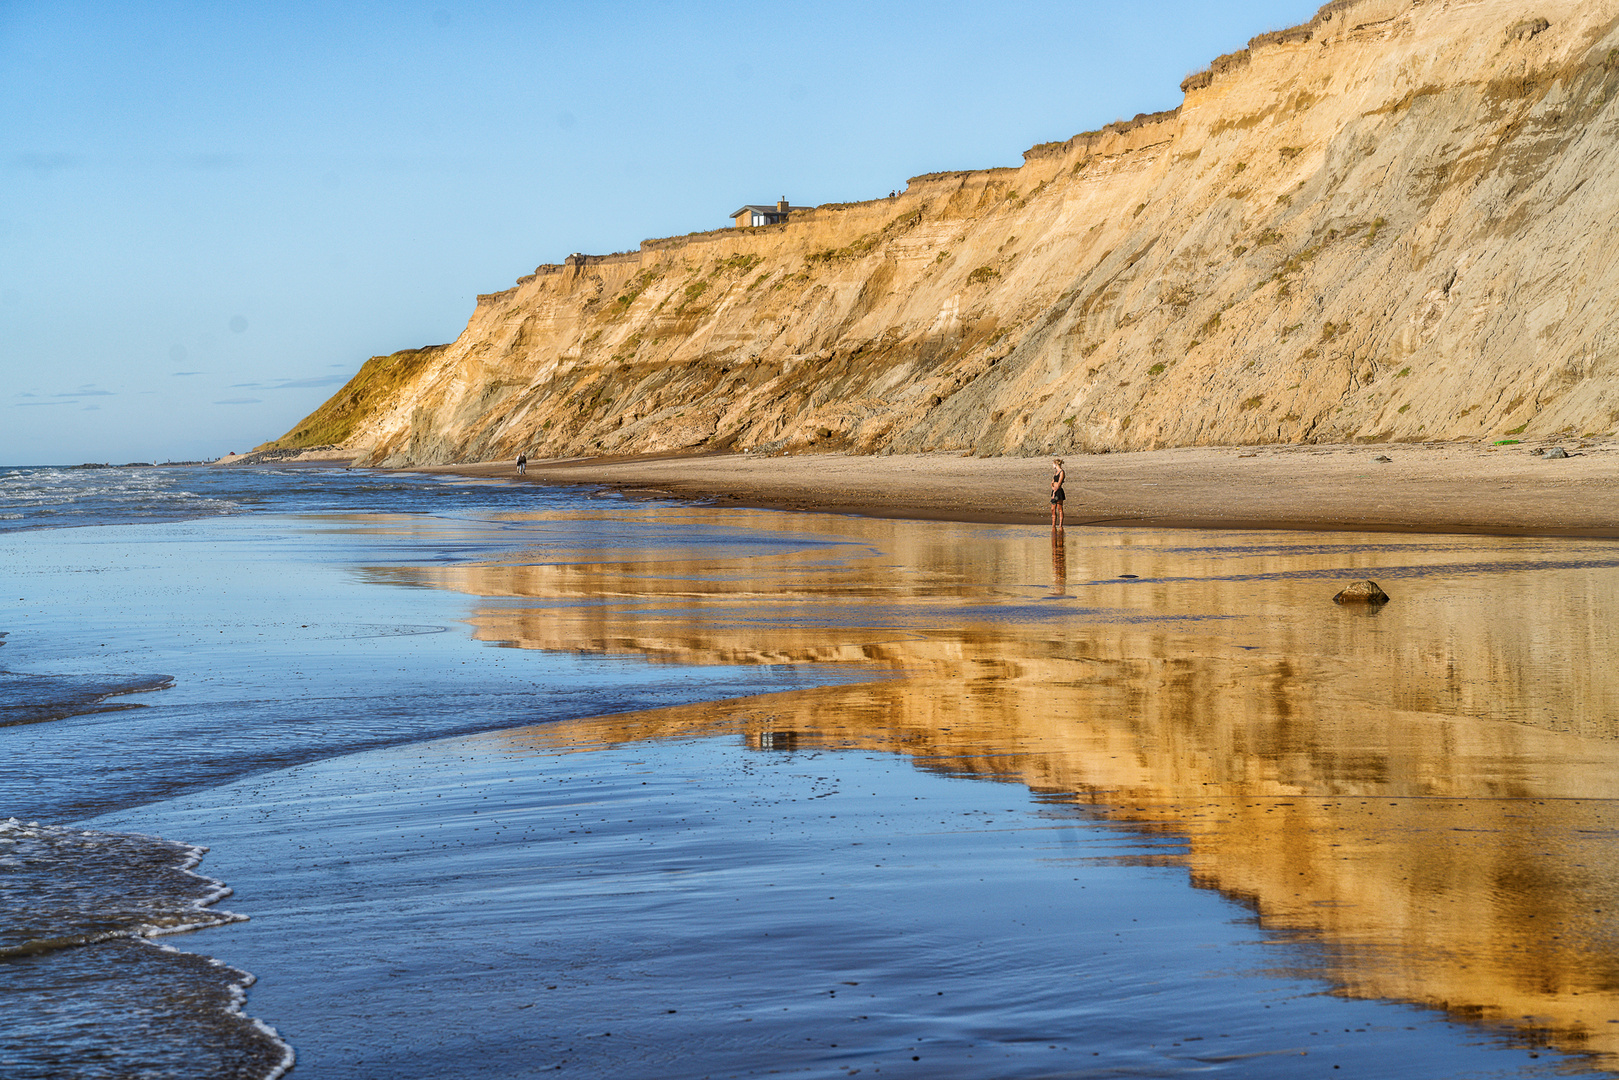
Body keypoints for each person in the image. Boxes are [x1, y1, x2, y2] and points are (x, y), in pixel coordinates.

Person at [1050, 457, 1065, 528]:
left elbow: (1059, 483)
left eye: (1053, 464)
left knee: (1059, 508)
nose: (1052, 466)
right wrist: (1052, 488)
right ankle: (1053, 524)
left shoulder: (1061, 472)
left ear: (1056, 464)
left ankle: (1060, 524)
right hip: (1054, 491)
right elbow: (1052, 482)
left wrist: (1054, 492)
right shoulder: (1055, 473)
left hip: (1058, 492)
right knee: (1053, 508)